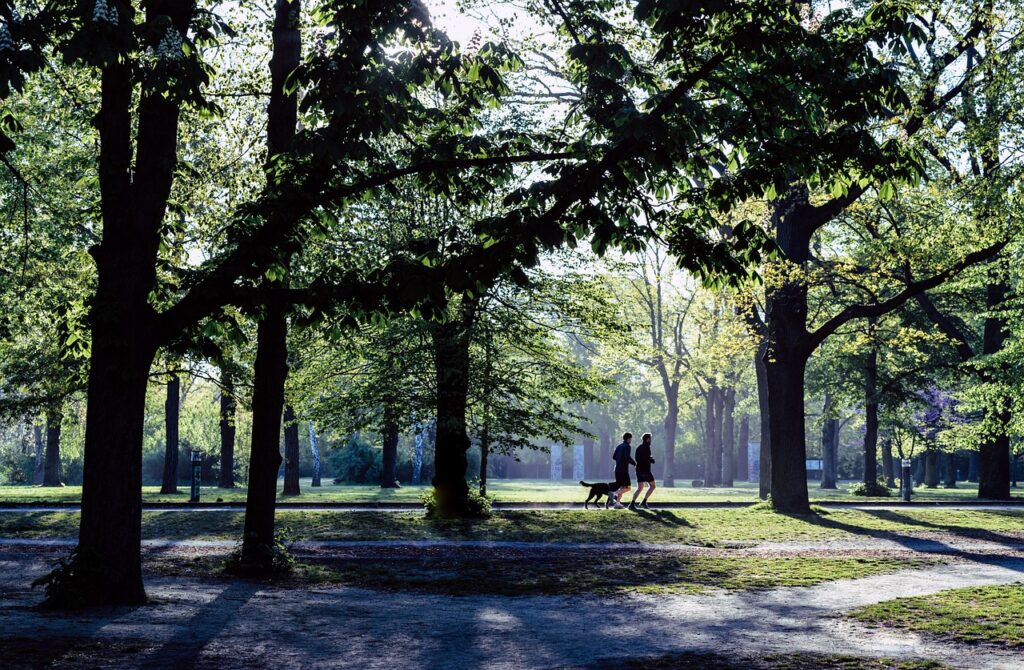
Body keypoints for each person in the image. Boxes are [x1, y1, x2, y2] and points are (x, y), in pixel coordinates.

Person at [628, 433, 656, 510]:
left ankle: (632, 504)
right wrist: (652, 460)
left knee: (640, 488)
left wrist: (649, 458)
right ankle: (644, 502)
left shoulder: (639, 447)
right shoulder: (647, 447)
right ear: (647, 439)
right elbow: (646, 458)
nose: (651, 440)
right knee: (653, 486)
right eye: (650, 438)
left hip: (638, 470)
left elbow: (638, 459)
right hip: (645, 470)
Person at [608, 432, 635, 509]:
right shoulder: (627, 446)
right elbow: (627, 457)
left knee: (622, 487)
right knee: (628, 488)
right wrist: (635, 463)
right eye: (630, 439)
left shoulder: (619, 446)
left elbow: (614, 457)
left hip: (617, 470)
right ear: (628, 438)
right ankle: (614, 493)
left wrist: (619, 460)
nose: (631, 440)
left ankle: (617, 504)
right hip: (623, 470)